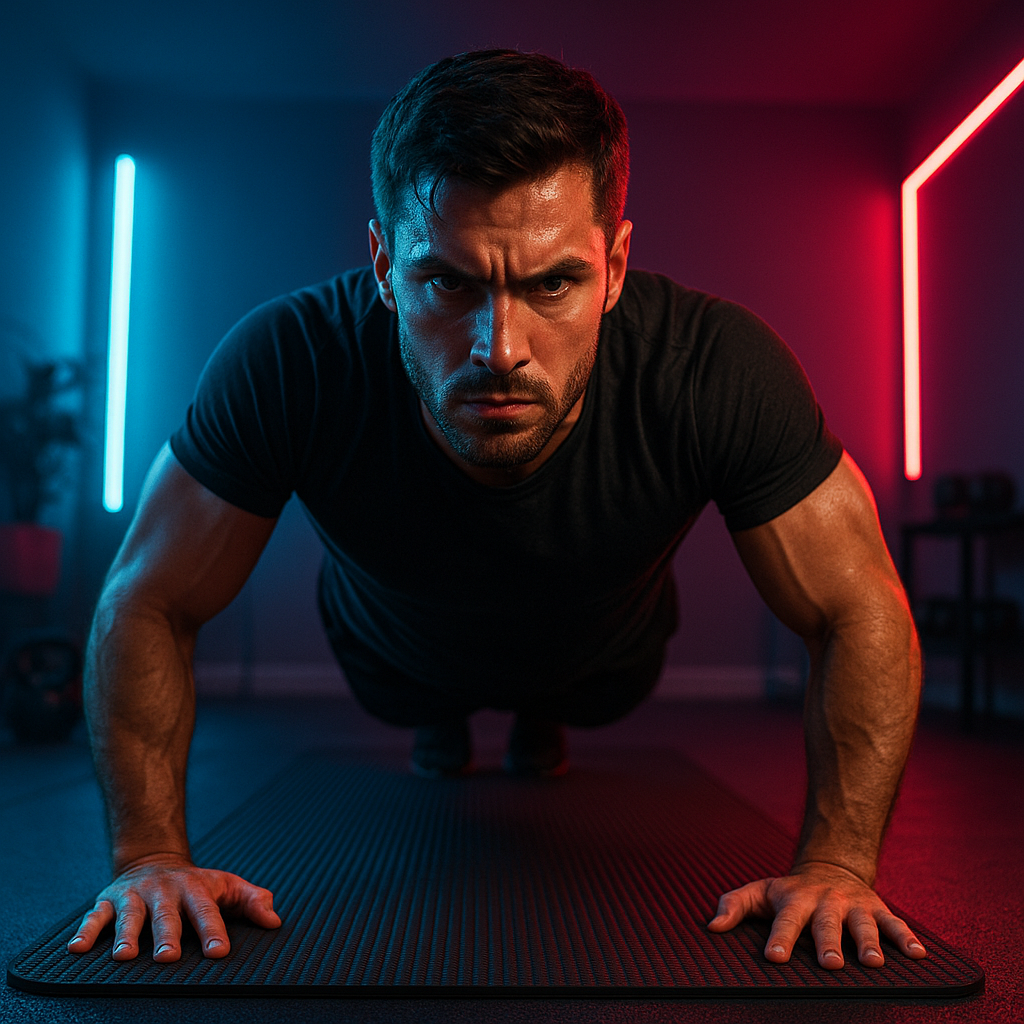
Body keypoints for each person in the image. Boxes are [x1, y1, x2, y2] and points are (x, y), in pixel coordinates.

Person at [68, 49, 926, 975]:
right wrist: (149, 859)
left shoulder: (715, 366)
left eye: (553, 284)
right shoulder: (288, 360)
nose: (500, 348)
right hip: (394, 654)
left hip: (603, 656)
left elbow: (860, 604)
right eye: (450, 283)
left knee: (575, 698)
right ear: (383, 266)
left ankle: (536, 714)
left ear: (617, 264)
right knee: (422, 700)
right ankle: (447, 712)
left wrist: (839, 866)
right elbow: (147, 596)